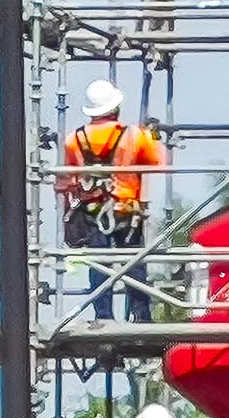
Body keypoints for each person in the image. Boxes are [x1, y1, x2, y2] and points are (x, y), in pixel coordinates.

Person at [60, 80, 168, 321]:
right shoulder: (134, 136)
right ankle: (141, 317)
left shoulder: (73, 139)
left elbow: (66, 181)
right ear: (115, 107)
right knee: (135, 265)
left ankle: (103, 317)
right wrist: (152, 136)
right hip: (127, 212)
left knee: (99, 265)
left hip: (92, 211)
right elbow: (158, 163)